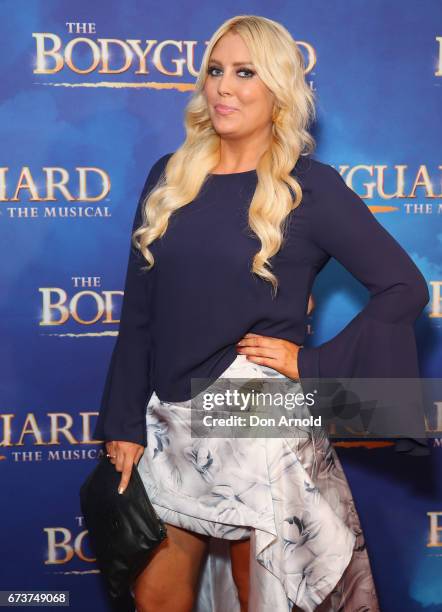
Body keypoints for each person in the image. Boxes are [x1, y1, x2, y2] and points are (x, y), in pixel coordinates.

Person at [92, 14, 429, 612]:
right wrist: (121, 421)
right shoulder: (169, 179)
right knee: (156, 599)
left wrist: (316, 366)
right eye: (215, 71)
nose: (223, 87)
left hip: (253, 406)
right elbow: (139, 309)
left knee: (264, 597)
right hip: (165, 409)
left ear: (278, 90)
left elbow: (404, 287)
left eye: (244, 72)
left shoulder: (310, 188)